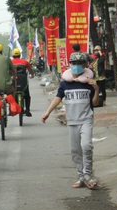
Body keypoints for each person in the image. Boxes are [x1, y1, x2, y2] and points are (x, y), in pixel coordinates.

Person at [41, 51, 100, 189]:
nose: (77, 66)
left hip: (86, 119)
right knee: (75, 150)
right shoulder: (65, 84)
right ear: (70, 64)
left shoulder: (89, 83)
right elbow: (57, 98)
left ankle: (88, 174)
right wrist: (47, 112)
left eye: (80, 63)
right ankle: (81, 177)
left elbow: (95, 103)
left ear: (85, 65)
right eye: (74, 63)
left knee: (86, 146)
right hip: (72, 120)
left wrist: (96, 89)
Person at [11, 48, 34, 117]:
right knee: (27, 96)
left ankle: (12, 109)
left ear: (13, 55)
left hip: (13, 82)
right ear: (20, 55)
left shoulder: (10, 62)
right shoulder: (25, 62)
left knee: (11, 95)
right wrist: (32, 75)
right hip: (23, 83)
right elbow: (30, 71)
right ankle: (27, 110)